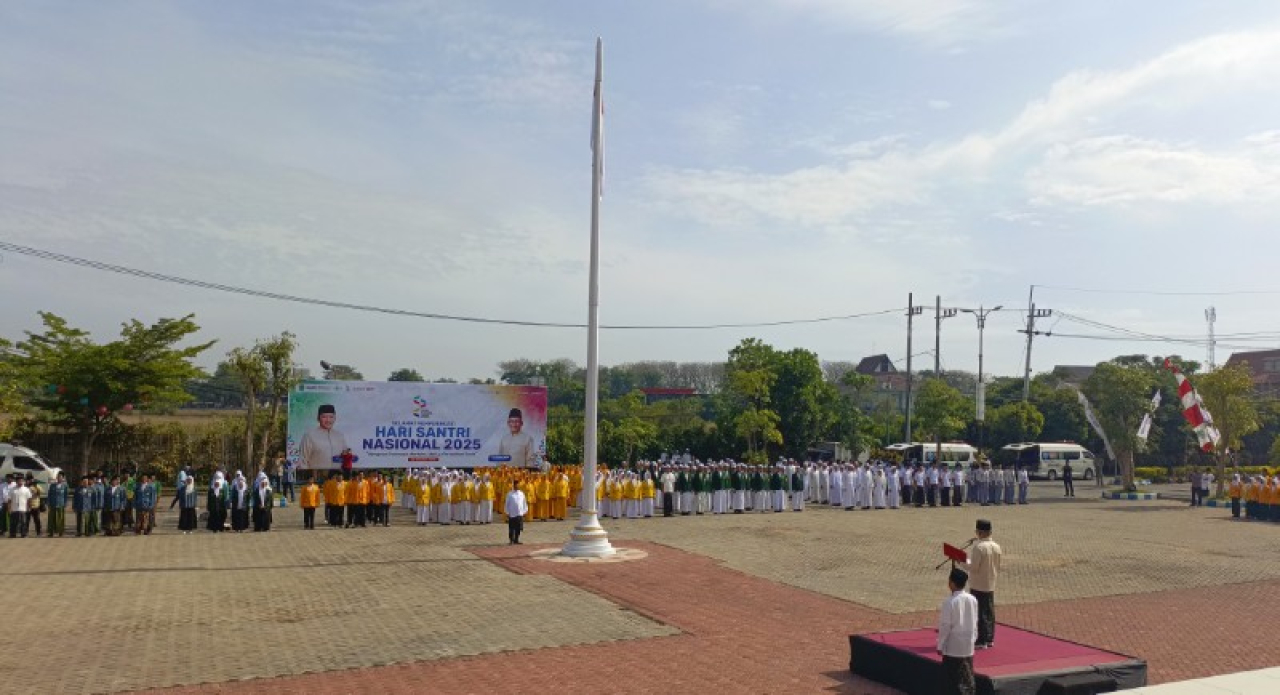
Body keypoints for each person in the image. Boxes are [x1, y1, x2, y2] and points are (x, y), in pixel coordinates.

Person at [937, 566, 978, 695]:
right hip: (968, 644)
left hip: (953, 647)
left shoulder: (950, 602)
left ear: (952, 583)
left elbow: (945, 626)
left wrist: (940, 644)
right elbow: (975, 621)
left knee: (953, 680)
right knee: (967, 677)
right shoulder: (972, 599)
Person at [967, 519, 1003, 649]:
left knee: (979, 611)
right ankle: (989, 637)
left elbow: (974, 567)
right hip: (991, 581)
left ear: (979, 532)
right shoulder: (996, 546)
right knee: (989, 610)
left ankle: (981, 639)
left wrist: (961, 561)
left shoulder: (979, 547)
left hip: (978, 583)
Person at [301, 404, 348, 472]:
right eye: (324, 417)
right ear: (318, 418)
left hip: (337, 476)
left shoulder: (340, 436)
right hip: (317, 476)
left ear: (335, 418)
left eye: (331, 417)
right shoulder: (309, 435)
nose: (328, 420)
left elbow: (345, 458)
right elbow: (303, 460)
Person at [46, 473, 68, 538]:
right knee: (51, 519)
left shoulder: (65, 486)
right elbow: (49, 495)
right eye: (58, 477)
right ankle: (51, 532)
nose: (59, 478)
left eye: (61, 477)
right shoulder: (52, 485)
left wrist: (65, 503)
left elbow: (66, 496)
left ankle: (60, 532)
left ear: (63, 478)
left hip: (61, 504)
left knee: (60, 519)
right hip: (52, 504)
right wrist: (48, 503)